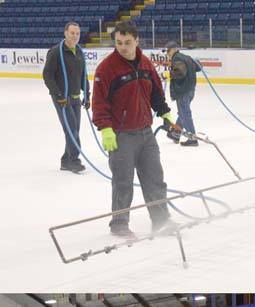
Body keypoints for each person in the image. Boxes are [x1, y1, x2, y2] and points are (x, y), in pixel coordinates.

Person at [92, 20, 179, 239]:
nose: (123, 47)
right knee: (123, 181)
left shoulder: (146, 64)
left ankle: (161, 221)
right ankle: (119, 224)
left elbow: (156, 94)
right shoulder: (107, 67)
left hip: (146, 133)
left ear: (137, 40)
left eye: (127, 42)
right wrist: (106, 129)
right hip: (121, 135)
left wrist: (166, 114)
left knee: (155, 179)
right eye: (119, 42)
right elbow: (99, 102)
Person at [42, 22, 89, 173]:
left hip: (75, 97)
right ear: (65, 33)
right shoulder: (56, 52)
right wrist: (58, 94)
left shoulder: (79, 51)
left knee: (74, 129)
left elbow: (83, 75)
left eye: (77, 33)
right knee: (72, 131)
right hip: (62, 98)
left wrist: (87, 95)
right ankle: (74, 161)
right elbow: (47, 75)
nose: (75, 36)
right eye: (72, 33)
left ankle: (65, 160)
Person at [165, 41, 202, 146]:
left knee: (185, 114)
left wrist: (168, 74)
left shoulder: (177, 58)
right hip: (190, 90)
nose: (167, 53)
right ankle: (175, 134)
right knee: (183, 113)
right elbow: (199, 67)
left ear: (174, 50)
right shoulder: (187, 57)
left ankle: (193, 139)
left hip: (182, 91)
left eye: (168, 51)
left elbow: (180, 72)